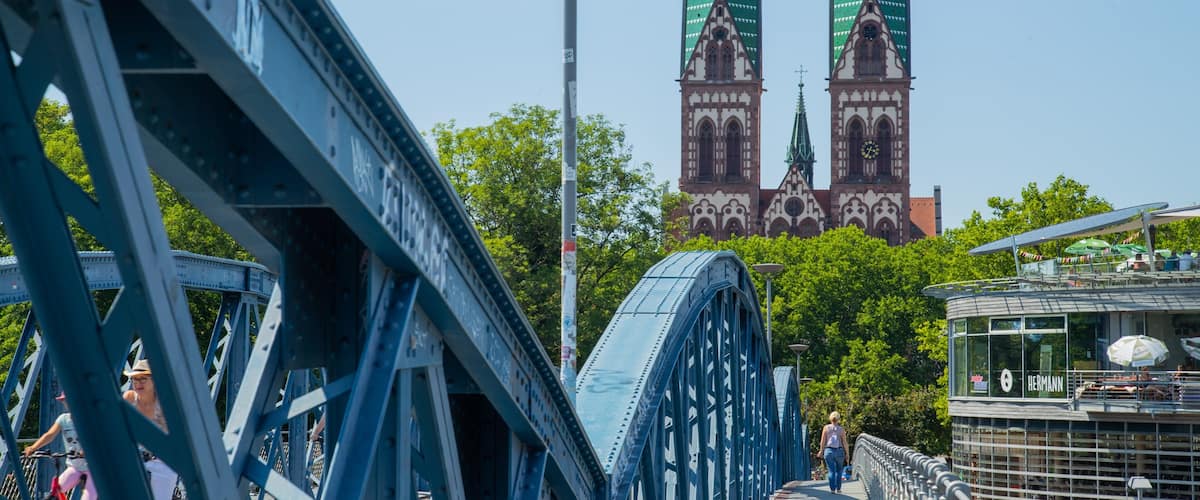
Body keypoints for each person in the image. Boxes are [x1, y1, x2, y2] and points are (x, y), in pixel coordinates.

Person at [23, 392, 98, 499]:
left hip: (93, 469)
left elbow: (100, 438)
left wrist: (88, 450)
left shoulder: (90, 419)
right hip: (74, 466)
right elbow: (49, 435)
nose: (66, 403)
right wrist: (33, 447)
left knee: (88, 497)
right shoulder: (63, 419)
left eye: (68, 400)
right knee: (56, 490)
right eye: (64, 401)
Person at [122, 359, 177, 500]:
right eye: (135, 379)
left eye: (143, 379)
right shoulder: (129, 398)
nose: (138, 383)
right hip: (135, 461)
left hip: (163, 463)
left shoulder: (164, 403)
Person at [820, 411, 849, 494]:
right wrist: (847, 454)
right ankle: (838, 489)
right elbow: (844, 442)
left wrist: (821, 451)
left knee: (831, 471)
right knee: (839, 471)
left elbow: (823, 441)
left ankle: (832, 489)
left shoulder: (826, 428)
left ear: (830, 418)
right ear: (838, 419)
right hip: (839, 451)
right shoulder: (841, 429)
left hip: (828, 451)